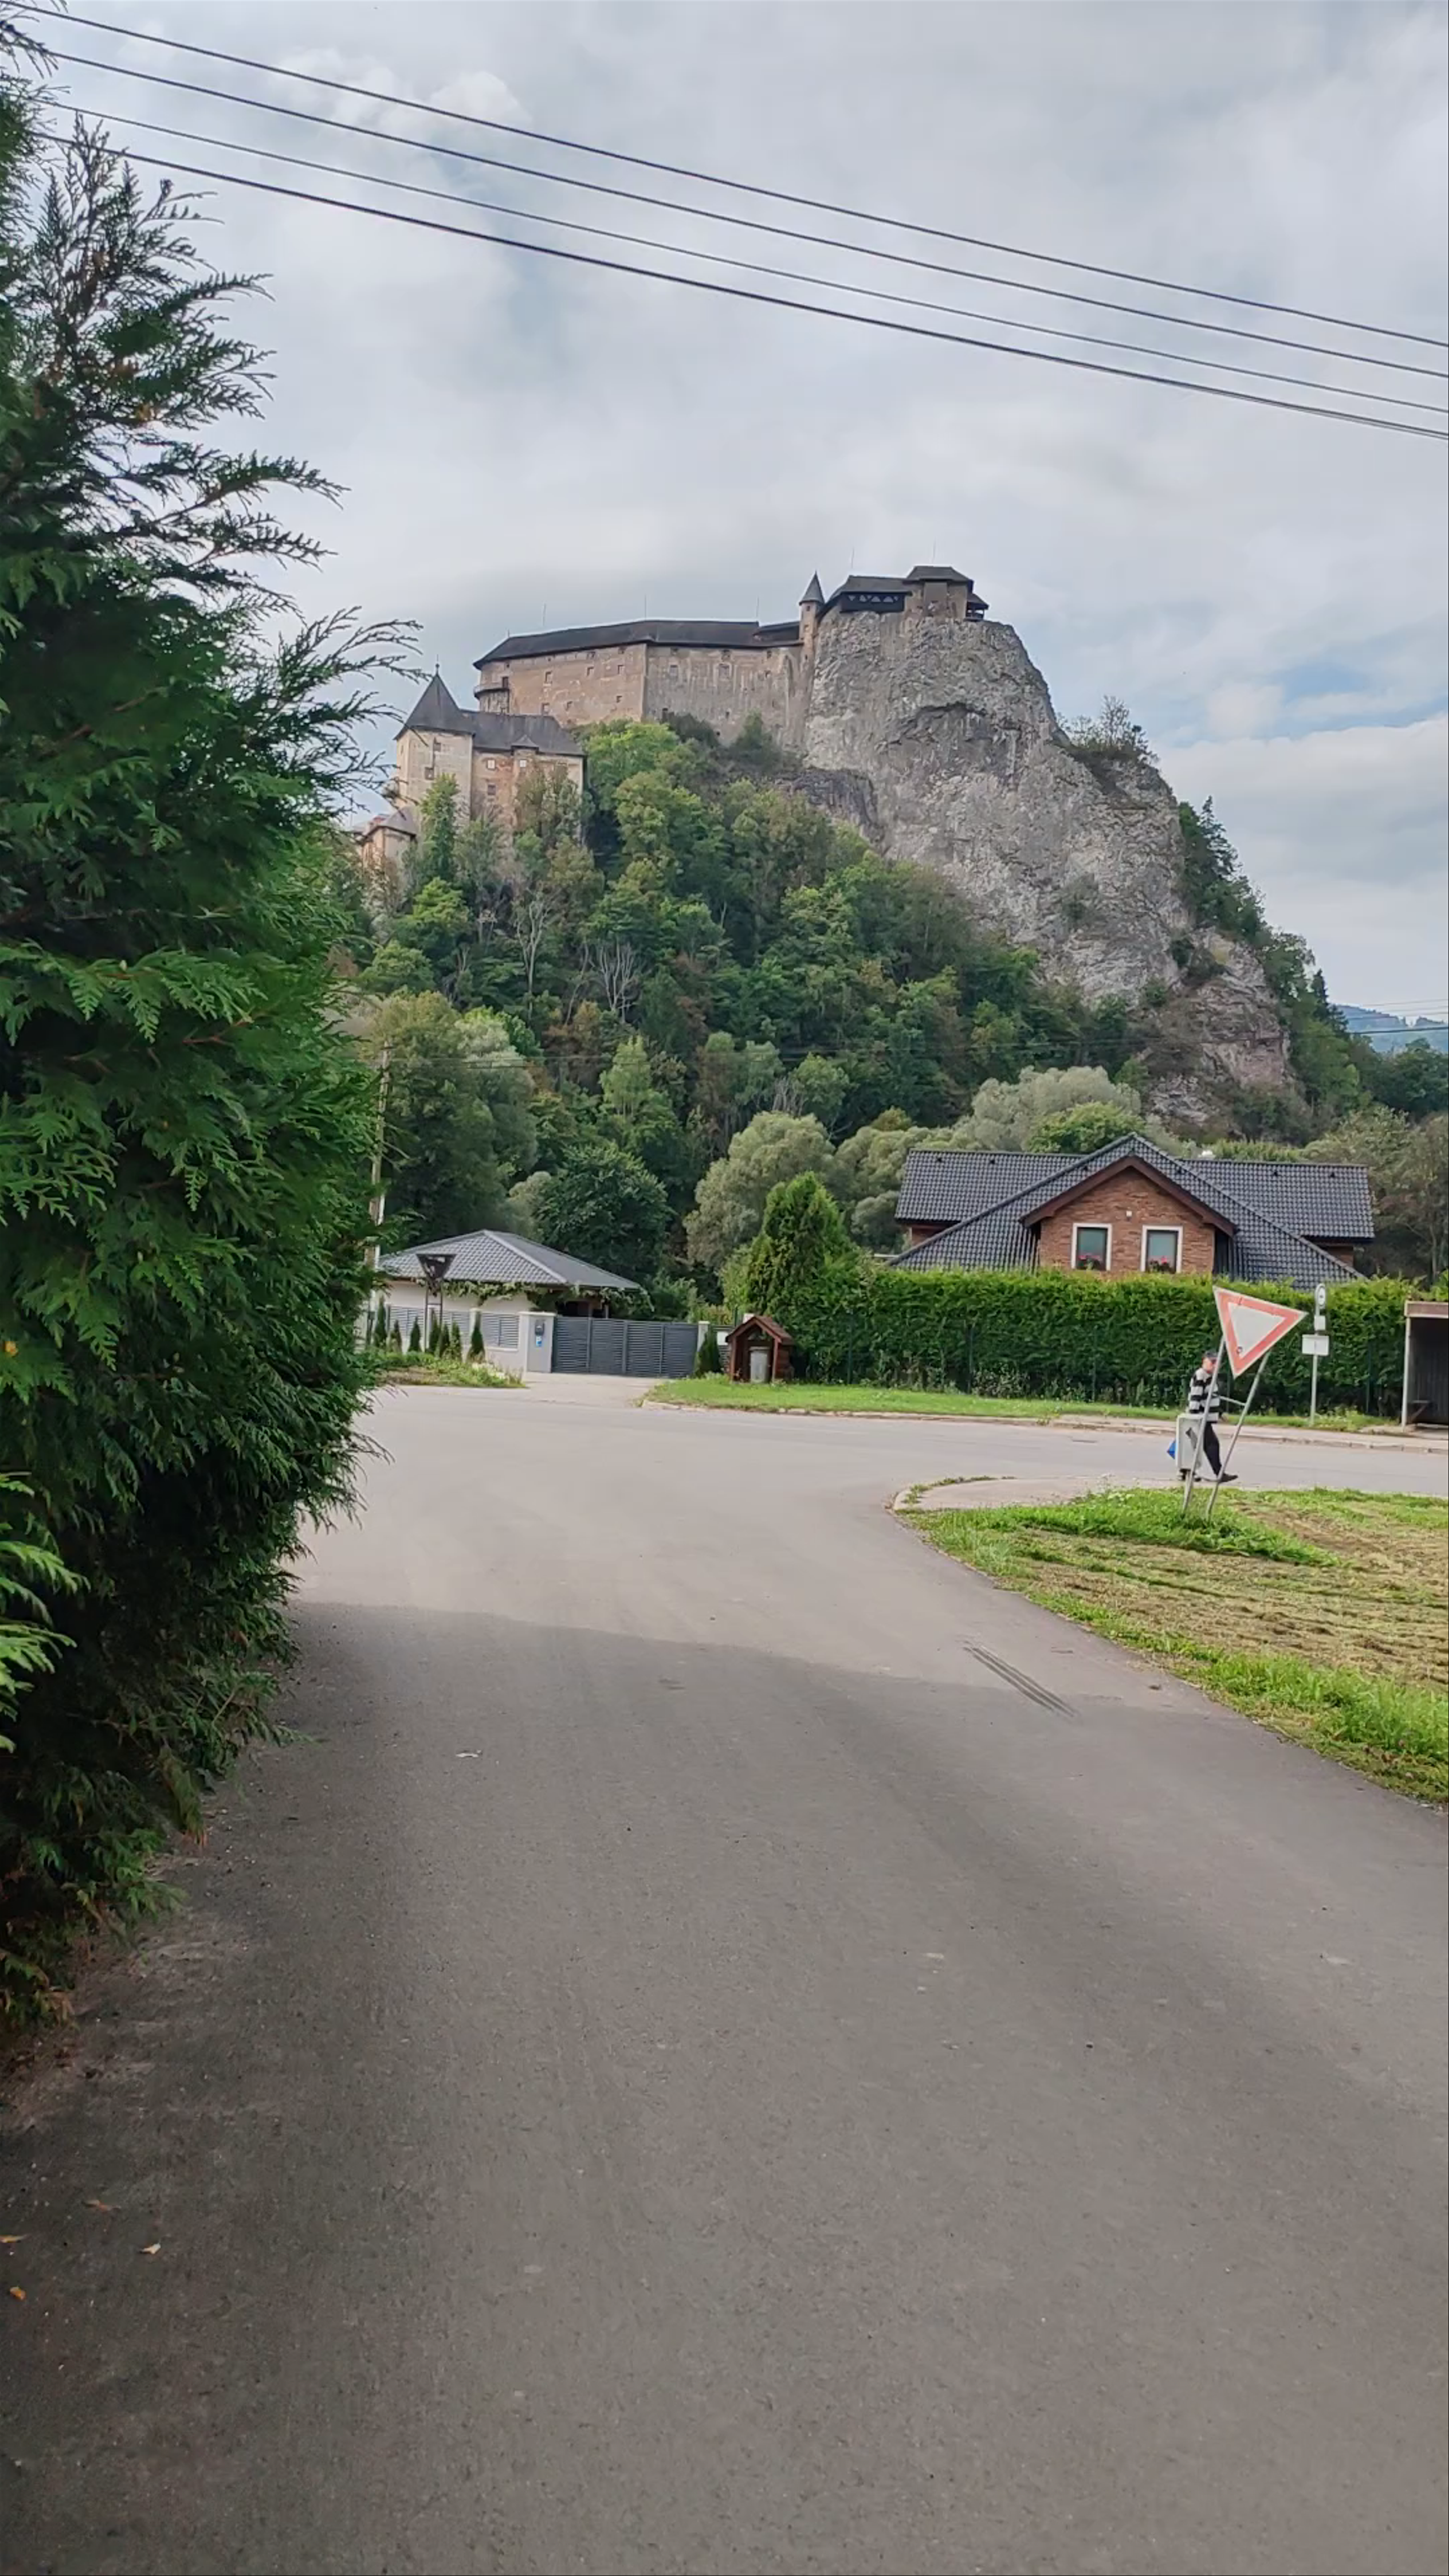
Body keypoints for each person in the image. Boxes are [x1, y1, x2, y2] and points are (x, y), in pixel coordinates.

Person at [1185, 1350, 1235, 1482]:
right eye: (1212, 1362)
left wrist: (1220, 1413)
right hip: (1200, 1418)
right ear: (1204, 1362)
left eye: (1217, 1363)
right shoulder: (1201, 1376)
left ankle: (1186, 1472)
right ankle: (1219, 1474)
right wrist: (1194, 1417)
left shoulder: (1209, 1377)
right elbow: (1196, 1397)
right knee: (1211, 1445)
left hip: (1203, 1418)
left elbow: (1209, 1398)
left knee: (1193, 1444)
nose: (1215, 1365)